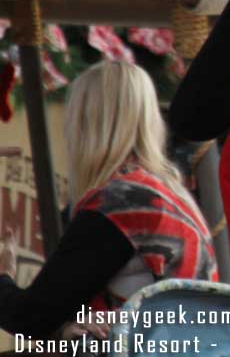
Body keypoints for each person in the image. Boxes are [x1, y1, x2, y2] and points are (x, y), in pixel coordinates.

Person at [0, 61, 218, 339]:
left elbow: (30, 318)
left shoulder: (121, 202)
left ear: (84, 127)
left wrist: (2, 276)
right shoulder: (172, 193)